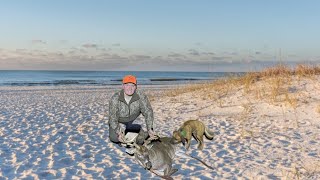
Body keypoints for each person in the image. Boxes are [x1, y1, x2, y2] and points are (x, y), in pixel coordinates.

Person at [108, 75, 157, 146]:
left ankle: (138, 131)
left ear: (136, 87)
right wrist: (118, 132)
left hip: (133, 119)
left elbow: (148, 112)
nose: (130, 88)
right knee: (114, 138)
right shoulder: (115, 98)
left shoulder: (141, 96)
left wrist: (150, 129)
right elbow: (113, 118)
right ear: (123, 86)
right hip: (119, 120)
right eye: (127, 85)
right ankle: (126, 133)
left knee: (142, 138)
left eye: (132, 85)